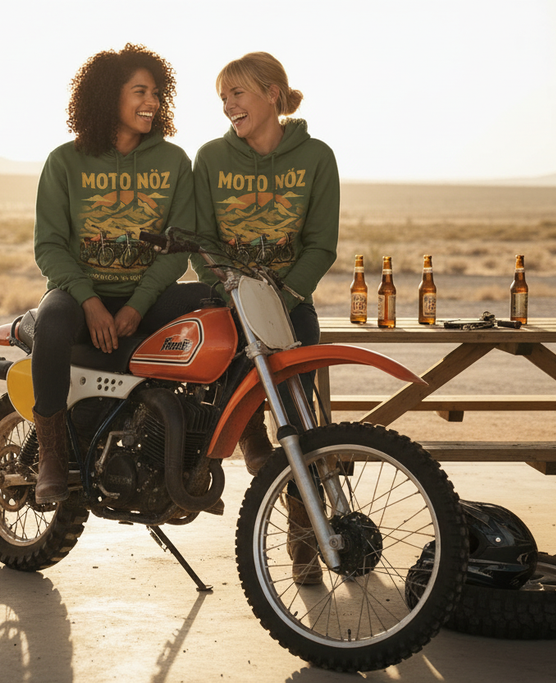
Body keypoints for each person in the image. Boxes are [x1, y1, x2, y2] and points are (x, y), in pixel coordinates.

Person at [31, 44, 209, 504]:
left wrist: (137, 304)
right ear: (109, 96)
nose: (151, 101)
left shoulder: (173, 162)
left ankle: (212, 446)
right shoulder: (64, 161)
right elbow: (49, 246)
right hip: (78, 297)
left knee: (217, 303)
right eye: (139, 91)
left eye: (156, 92)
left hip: (143, 299)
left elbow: (178, 248)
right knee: (51, 323)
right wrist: (90, 302)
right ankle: (51, 455)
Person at [193, 52, 339, 583]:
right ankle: (261, 465)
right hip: (230, 304)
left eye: (238, 93)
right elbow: (201, 240)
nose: (228, 105)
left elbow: (322, 244)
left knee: (301, 427)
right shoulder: (209, 158)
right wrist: (231, 292)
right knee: (239, 413)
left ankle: (304, 541)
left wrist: (285, 294)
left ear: (272, 94)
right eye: (223, 97)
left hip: (291, 306)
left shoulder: (317, 158)